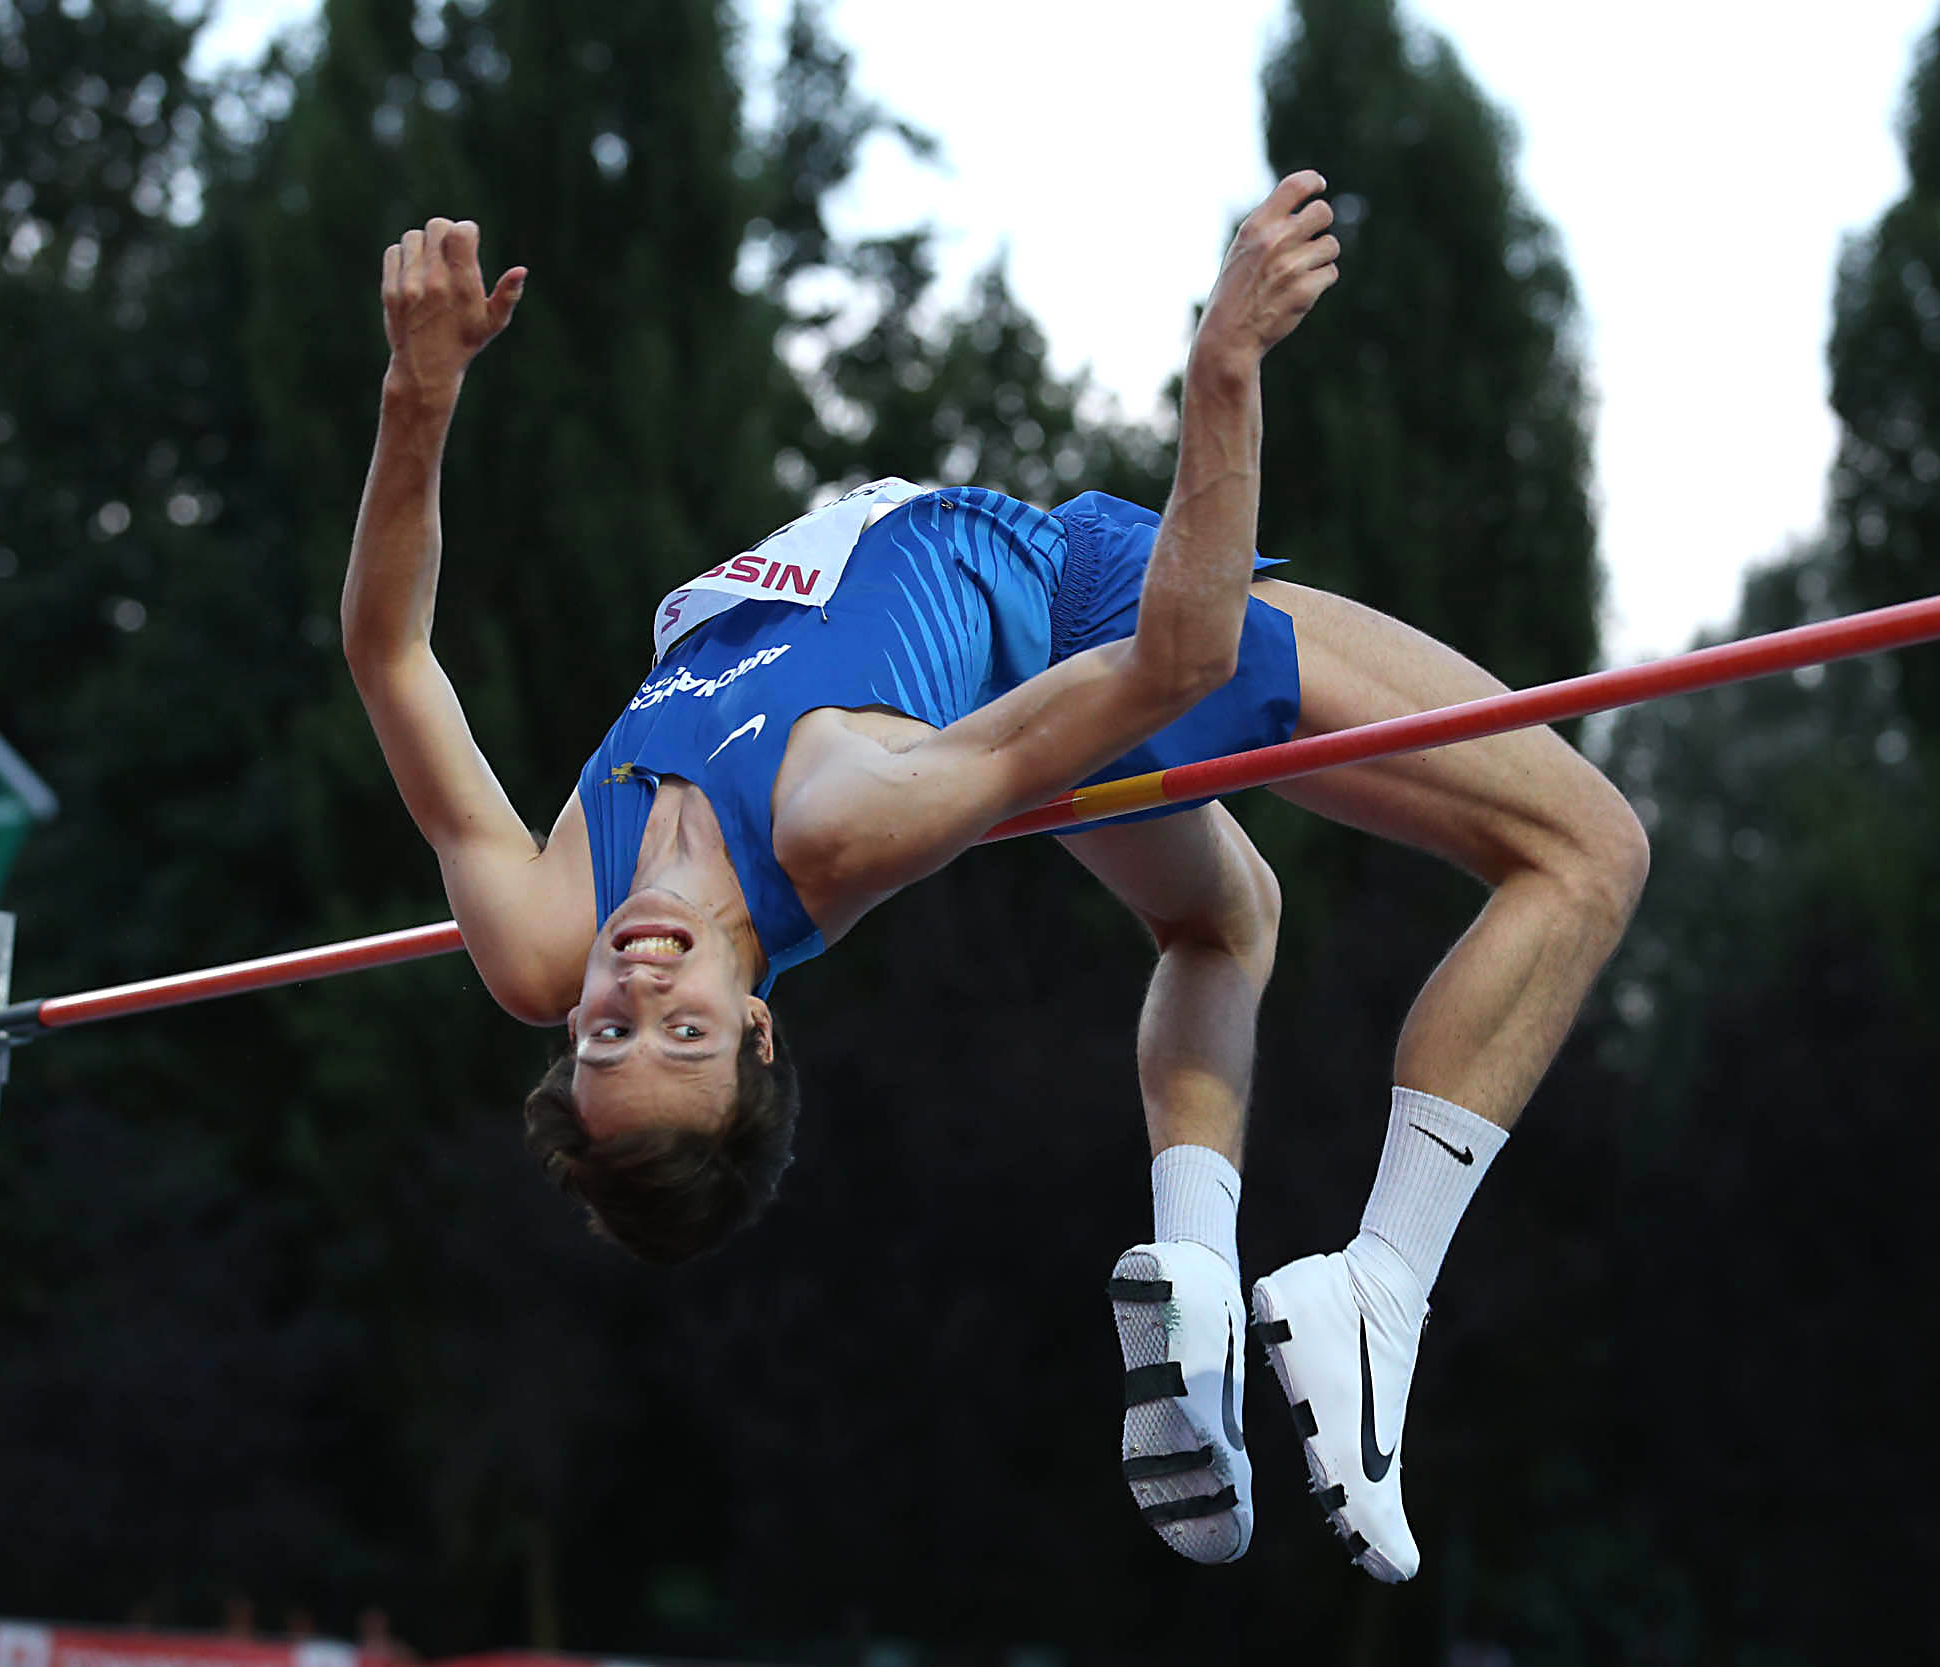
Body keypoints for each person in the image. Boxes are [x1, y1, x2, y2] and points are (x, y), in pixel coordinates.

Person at [340, 175, 1648, 1586]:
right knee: (1585, 849)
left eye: (609, 1032)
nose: (638, 985)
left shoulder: (541, 935)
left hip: (1029, 683)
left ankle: (1196, 1274)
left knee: (1223, 920)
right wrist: (1223, 365)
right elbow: (1178, 659)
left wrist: (419, 397)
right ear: (759, 1028)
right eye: (687, 1033)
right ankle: (1378, 1291)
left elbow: (390, 655)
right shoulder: (838, 818)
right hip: (1089, 608)